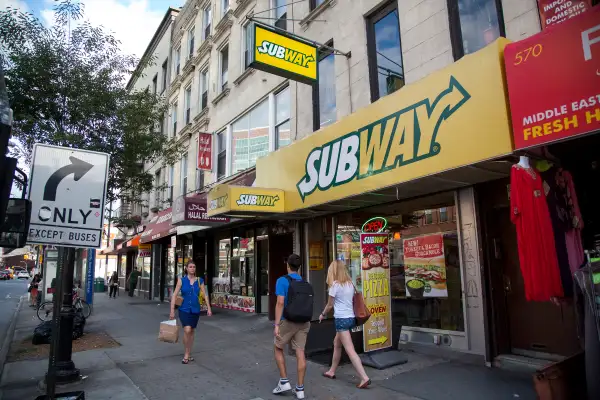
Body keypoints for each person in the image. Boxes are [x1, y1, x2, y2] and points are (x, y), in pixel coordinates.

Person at [319, 260, 371, 388]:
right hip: (351, 318)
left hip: (341, 319)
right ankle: (331, 371)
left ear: (334, 271)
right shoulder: (350, 284)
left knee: (350, 350)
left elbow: (330, 305)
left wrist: (323, 314)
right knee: (337, 344)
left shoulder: (335, 285)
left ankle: (364, 377)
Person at [272, 254, 310, 399]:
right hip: (303, 322)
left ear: (288, 265)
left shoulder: (282, 281)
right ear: (298, 267)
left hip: (287, 321)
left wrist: (276, 324)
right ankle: (300, 389)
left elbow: (280, 302)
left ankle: (284, 381)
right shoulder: (304, 281)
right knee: (300, 352)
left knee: (278, 347)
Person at [170, 262, 212, 364]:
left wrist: (209, 308)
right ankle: (186, 354)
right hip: (184, 309)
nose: (192, 269)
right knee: (187, 330)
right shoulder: (181, 280)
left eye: (194, 267)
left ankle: (188, 352)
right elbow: (174, 295)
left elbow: (205, 295)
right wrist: (172, 311)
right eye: (190, 267)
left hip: (195, 309)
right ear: (186, 268)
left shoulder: (199, 280)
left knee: (192, 331)